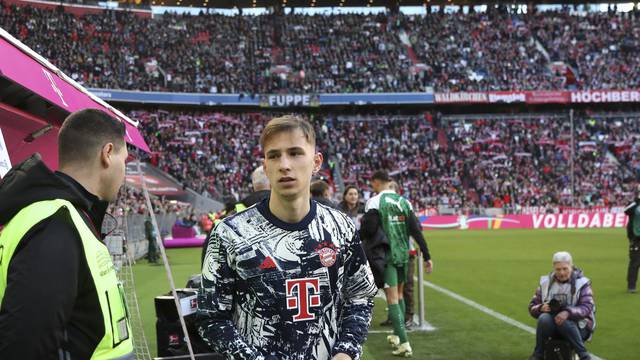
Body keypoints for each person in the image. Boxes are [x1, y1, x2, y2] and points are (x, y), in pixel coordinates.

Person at [197, 115, 377, 360]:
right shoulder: (230, 233)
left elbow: (361, 295)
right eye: (274, 155)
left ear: (316, 162)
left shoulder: (340, 227)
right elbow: (211, 317)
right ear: (265, 166)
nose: (284, 164)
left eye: (294, 153)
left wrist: (346, 351)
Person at [0, 109, 134, 359]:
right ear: (107, 154)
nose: (124, 173)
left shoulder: (70, 217)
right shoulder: (56, 225)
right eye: (124, 160)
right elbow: (26, 346)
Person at [360, 171, 433, 357]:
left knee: (391, 298)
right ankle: (397, 336)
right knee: (399, 294)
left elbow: (368, 230)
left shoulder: (375, 202)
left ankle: (405, 343)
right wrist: (426, 255)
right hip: (404, 255)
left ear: (376, 183)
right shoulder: (404, 202)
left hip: (386, 256)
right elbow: (416, 230)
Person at [528, 251, 595, 360]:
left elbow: (587, 307)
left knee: (563, 320)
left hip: (580, 325)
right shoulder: (545, 283)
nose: (562, 273)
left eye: (565, 269)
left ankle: (584, 356)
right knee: (544, 318)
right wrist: (541, 308)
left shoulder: (582, 283)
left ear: (571, 267)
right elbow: (532, 306)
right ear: (553, 268)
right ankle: (538, 354)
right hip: (555, 323)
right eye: (558, 269)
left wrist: (568, 312)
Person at [624, 197, 640, 293]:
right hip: (636, 239)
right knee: (635, 263)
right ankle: (631, 286)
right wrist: (636, 201)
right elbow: (626, 210)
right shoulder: (635, 205)